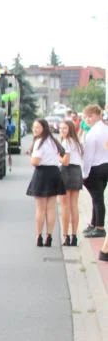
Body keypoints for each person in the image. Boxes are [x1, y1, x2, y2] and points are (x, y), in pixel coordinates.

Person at [27, 118, 66, 247]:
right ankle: (49, 237)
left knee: (40, 208)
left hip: (42, 173)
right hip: (55, 173)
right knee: (51, 208)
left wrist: (31, 158)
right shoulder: (53, 141)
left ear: (44, 128)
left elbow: (35, 162)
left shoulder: (39, 142)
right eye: (33, 127)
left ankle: (39, 236)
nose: (34, 129)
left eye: (37, 127)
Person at [83, 104, 108, 242]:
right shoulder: (106, 129)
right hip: (106, 165)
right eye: (86, 117)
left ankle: (99, 227)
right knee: (97, 197)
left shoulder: (92, 133)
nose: (88, 119)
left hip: (96, 167)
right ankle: (94, 223)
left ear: (97, 115)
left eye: (90, 116)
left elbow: (88, 156)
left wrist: (84, 173)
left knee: (97, 198)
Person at [58, 118, 84, 246]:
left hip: (67, 171)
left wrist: (57, 155)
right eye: (61, 128)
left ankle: (65, 236)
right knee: (74, 205)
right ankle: (74, 236)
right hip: (77, 171)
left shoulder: (66, 141)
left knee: (65, 206)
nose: (62, 130)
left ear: (70, 129)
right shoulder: (76, 141)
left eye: (65, 128)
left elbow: (65, 161)